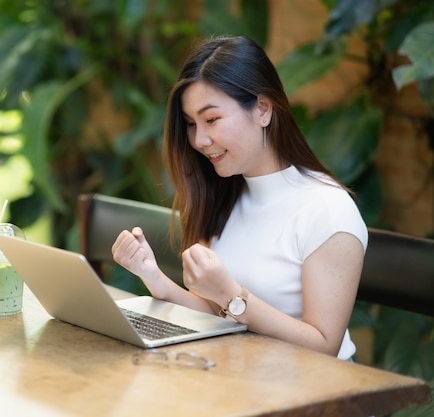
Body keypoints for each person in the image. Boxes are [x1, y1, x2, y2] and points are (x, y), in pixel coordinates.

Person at [111, 36, 368, 360]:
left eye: (212, 119)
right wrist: (151, 274)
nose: (199, 140)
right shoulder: (223, 194)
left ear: (262, 109)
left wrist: (234, 297)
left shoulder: (326, 209)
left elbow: (324, 346)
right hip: (236, 383)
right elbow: (210, 313)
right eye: (191, 124)